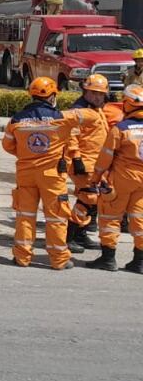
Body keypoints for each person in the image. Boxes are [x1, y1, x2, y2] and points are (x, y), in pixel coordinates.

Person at [1, 76, 89, 270]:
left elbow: (7, 145)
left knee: (25, 215)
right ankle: (59, 259)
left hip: (25, 174)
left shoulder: (16, 119)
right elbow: (89, 117)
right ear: (52, 96)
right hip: (52, 175)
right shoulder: (61, 118)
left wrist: (26, 153)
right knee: (56, 217)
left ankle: (22, 257)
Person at [87, 84, 143, 273]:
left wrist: (95, 178)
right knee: (140, 219)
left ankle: (108, 259)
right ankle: (139, 262)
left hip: (121, 180)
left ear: (127, 104)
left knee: (110, 217)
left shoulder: (120, 129)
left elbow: (105, 157)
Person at [63, 74, 118, 253]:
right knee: (88, 198)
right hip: (84, 162)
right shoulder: (78, 110)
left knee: (93, 200)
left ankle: (80, 235)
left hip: (96, 163)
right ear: (85, 91)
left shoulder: (96, 109)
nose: (98, 97)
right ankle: (69, 237)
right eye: (94, 93)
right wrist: (76, 158)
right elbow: (71, 135)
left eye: (101, 94)